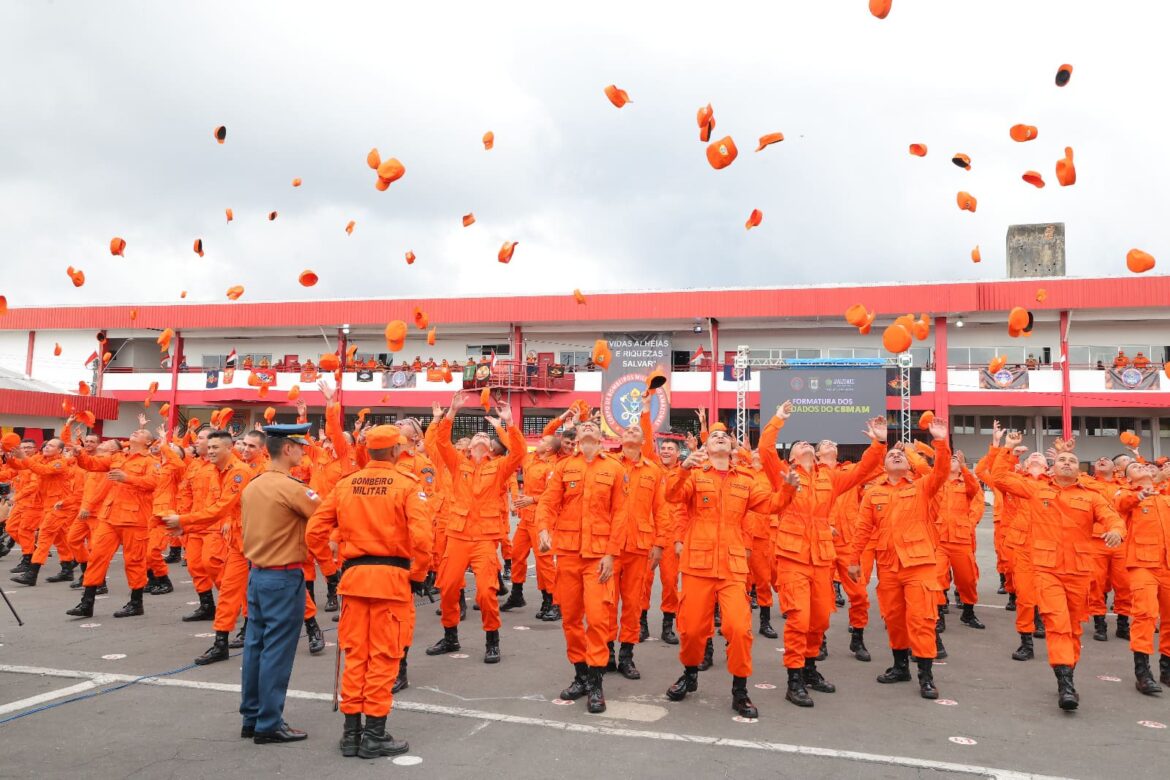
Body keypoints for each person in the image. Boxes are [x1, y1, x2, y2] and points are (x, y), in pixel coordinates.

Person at [306, 425, 432, 759]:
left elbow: (315, 530)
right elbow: (422, 539)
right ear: (394, 451)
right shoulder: (407, 485)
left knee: (355, 656)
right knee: (384, 657)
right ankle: (374, 734)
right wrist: (418, 576)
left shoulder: (345, 485)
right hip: (391, 581)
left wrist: (332, 572)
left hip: (354, 579)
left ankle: (351, 734)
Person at [665, 409, 795, 719]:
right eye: (714, 437)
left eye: (724, 436)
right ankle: (690, 674)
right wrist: (683, 468)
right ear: (706, 447)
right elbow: (671, 495)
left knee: (738, 628)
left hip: (733, 566)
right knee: (693, 630)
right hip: (697, 564)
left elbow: (772, 505)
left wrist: (788, 487)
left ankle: (740, 690)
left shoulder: (747, 479)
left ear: (731, 446)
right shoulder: (695, 475)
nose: (720, 438)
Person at [989, 426, 1125, 710]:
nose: (1066, 463)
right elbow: (999, 478)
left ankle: (1068, 671)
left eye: (1072, 461)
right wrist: (1008, 449)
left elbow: (1112, 518)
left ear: (1079, 470)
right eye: (1062, 460)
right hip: (1045, 569)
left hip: (1079, 569)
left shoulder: (1091, 496)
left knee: (1073, 628)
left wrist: (1116, 531)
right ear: (1053, 467)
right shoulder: (1037, 489)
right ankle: (1065, 682)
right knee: (1057, 623)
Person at [759, 415, 886, 708]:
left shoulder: (828, 476)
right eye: (798, 444)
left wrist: (879, 442)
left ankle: (810, 668)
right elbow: (765, 448)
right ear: (790, 456)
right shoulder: (781, 473)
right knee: (799, 618)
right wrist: (778, 420)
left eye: (808, 443)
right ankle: (794, 678)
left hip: (821, 557)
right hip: (792, 556)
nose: (804, 444)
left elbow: (864, 470)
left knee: (820, 619)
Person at [848, 415, 951, 700]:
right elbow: (862, 528)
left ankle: (926, 675)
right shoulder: (874, 493)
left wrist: (940, 441)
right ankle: (900, 666)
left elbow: (942, 471)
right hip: (888, 565)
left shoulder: (922, 487)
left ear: (908, 465)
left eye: (899, 454)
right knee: (893, 617)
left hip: (919, 564)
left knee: (921, 619)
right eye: (891, 454)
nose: (895, 456)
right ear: (883, 465)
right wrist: (854, 558)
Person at [236, 423, 321, 744]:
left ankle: (252, 715)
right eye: (300, 446)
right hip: (283, 577)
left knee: (255, 646)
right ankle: (269, 722)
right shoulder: (293, 488)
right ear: (287, 449)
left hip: (257, 574)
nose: (303, 451)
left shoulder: (253, 484)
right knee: (277, 651)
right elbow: (325, 514)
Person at [426, 391, 525, 663]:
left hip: (484, 539)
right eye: (477, 438)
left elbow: (518, 453)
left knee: (485, 591)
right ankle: (450, 637)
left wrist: (509, 423)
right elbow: (442, 442)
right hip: (457, 535)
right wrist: (451, 412)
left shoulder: (501, 467)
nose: (481, 437)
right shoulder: (457, 464)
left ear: (491, 448)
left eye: (485, 437)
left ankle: (492, 639)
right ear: (468, 448)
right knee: (447, 588)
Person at [537, 418, 627, 713]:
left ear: (601, 438)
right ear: (577, 438)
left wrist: (612, 554)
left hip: (599, 556)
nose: (588, 428)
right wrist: (543, 529)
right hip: (569, 554)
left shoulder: (614, 468)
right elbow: (549, 502)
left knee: (599, 619)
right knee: (572, 619)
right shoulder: (564, 467)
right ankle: (581, 675)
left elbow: (620, 514)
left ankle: (597, 684)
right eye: (584, 427)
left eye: (593, 427)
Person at [163, 429, 253, 659]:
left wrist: (183, 521)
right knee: (229, 590)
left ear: (229, 447)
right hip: (237, 540)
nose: (211, 451)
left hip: (256, 540)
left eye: (215, 447)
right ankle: (221, 643)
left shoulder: (239, 472)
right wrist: (186, 526)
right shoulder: (214, 470)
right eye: (209, 447)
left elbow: (221, 507)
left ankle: (308, 626)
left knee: (286, 589)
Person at [68, 426, 159, 619]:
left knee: (134, 561)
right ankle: (87, 603)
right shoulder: (119, 457)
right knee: (97, 557)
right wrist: (79, 454)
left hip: (134, 518)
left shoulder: (151, 461)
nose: (135, 431)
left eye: (141, 432)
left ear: (148, 442)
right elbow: (93, 464)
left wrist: (128, 478)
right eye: (135, 430)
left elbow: (154, 483)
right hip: (109, 516)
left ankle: (136, 602)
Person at [1115, 462, 1170, 694]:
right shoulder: (1126, 494)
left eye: (1145, 465)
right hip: (1142, 564)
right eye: (1135, 467)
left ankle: (1166, 667)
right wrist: (1140, 494)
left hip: (1167, 565)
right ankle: (1143, 671)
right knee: (1145, 615)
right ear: (1129, 478)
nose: (1143, 467)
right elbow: (1120, 504)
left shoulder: (1166, 494)